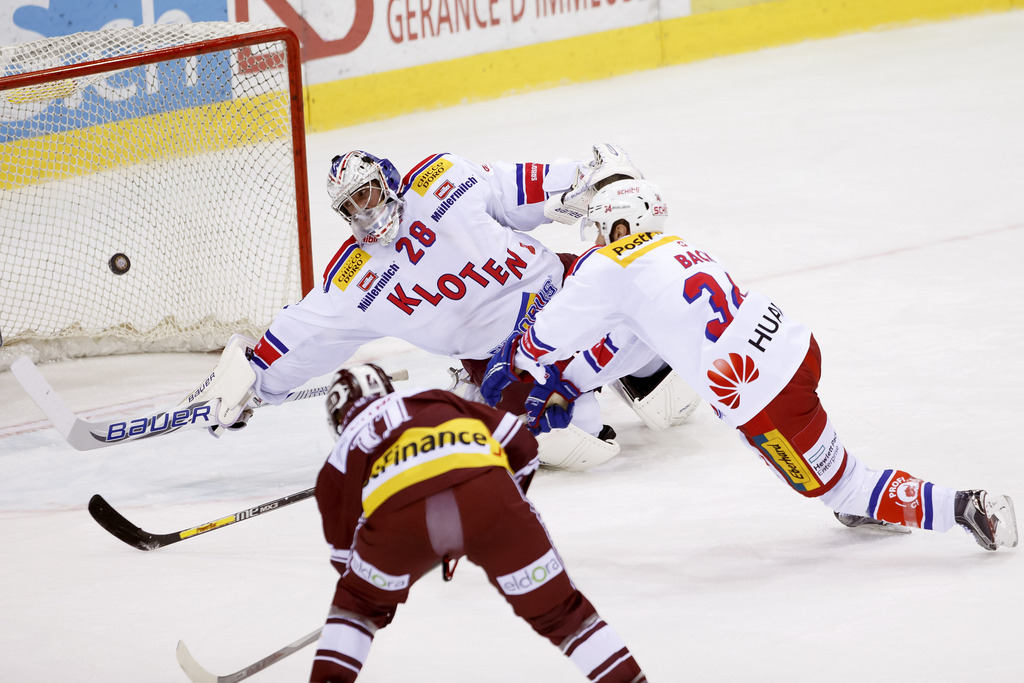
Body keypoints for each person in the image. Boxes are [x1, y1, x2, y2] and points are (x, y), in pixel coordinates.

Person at [480, 179, 1018, 551]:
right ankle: (837, 473)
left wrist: (523, 363)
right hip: (791, 345)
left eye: (598, 230)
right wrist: (571, 382)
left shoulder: (607, 265)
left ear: (617, 224)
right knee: (762, 430)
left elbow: (547, 336)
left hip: (760, 391)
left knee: (839, 485)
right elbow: (626, 343)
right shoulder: (675, 248)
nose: (594, 243)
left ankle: (964, 506)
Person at [207, 145, 696, 470]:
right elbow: (305, 331)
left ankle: (630, 373)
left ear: (389, 180)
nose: (366, 209)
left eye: (369, 192)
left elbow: (523, 188)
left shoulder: (445, 179)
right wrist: (256, 381)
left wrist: (590, 181)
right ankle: (509, 392)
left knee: (672, 404)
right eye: (351, 205)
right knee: (578, 442)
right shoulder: (354, 278)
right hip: (504, 357)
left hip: (565, 290)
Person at [309, 363, 648, 682]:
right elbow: (523, 444)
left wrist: (373, 602)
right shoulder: (435, 397)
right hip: (492, 501)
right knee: (563, 615)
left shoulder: (340, 455)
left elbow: (345, 558)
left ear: (339, 417)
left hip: (399, 522)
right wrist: (501, 504)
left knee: (356, 608)